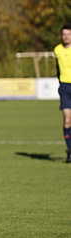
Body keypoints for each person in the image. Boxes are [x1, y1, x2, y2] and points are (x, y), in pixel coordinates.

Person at [54, 24, 71, 163]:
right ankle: (70, 150)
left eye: (68, 34)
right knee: (67, 120)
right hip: (64, 87)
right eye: (64, 34)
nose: (66, 36)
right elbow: (57, 68)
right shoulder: (57, 50)